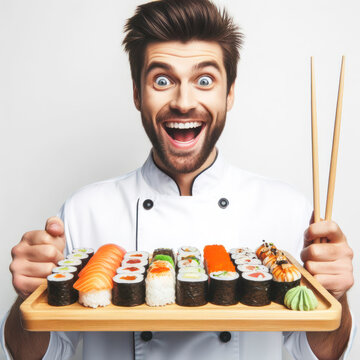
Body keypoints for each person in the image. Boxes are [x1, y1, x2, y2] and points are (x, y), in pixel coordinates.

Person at [1, 0, 355, 359]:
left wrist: (336, 298)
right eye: (162, 79)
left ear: (229, 93)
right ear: (137, 93)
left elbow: (320, 354)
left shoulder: (288, 210)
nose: (184, 102)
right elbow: (34, 354)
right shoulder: (83, 210)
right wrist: (27, 295)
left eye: (205, 80)